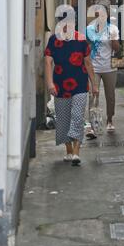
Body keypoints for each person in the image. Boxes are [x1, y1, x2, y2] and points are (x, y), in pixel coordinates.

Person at [45, 11, 98, 166]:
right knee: (63, 119)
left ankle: (76, 152)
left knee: (77, 116)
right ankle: (68, 150)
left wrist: (94, 84)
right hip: (60, 85)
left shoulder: (81, 39)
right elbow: (48, 62)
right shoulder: (54, 40)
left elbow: (88, 63)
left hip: (80, 84)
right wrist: (49, 83)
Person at [86, 4, 120, 136]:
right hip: (94, 67)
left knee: (110, 95)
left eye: (103, 14)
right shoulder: (89, 29)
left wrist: (113, 38)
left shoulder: (113, 29)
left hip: (109, 67)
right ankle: (92, 125)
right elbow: (86, 47)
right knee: (93, 95)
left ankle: (110, 120)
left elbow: (117, 48)